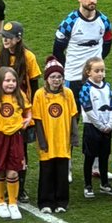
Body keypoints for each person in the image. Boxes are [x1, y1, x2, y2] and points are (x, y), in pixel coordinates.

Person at [0, 21, 41, 202]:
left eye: (9, 38)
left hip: (20, 111)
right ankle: (1, 187)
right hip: (0, 112)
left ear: (18, 39)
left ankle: (21, 187)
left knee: (21, 151)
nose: (5, 40)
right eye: (4, 37)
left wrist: (30, 112)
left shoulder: (28, 57)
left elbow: (34, 85)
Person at [0, 66, 32, 220]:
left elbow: (28, 109)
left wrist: (28, 118)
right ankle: (1, 203)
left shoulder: (20, 95)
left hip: (15, 137)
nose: (11, 84)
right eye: (7, 80)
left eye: (13, 81)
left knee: (13, 171)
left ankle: (13, 203)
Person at [33, 57, 79, 213]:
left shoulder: (68, 94)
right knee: (47, 172)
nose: (56, 80)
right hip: (48, 140)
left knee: (62, 172)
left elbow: (73, 116)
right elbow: (37, 119)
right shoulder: (40, 95)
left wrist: (74, 136)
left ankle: (61, 202)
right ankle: (45, 202)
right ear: (47, 78)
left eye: (59, 77)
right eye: (53, 77)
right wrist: (42, 141)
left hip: (63, 141)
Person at [53, 0, 112, 99]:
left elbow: (107, 46)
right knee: (73, 110)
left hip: (95, 76)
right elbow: (57, 51)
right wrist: (67, 68)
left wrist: (95, 63)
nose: (92, 0)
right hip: (73, 76)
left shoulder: (104, 22)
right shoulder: (69, 23)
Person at [78, 57, 112, 198]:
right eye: (97, 71)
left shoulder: (107, 86)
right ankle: (88, 185)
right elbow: (88, 110)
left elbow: (111, 106)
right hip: (92, 127)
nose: (100, 74)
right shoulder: (86, 88)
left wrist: (109, 124)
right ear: (88, 72)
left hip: (107, 127)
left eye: (102, 71)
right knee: (90, 157)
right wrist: (100, 125)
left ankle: (104, 183)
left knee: (104, 156)